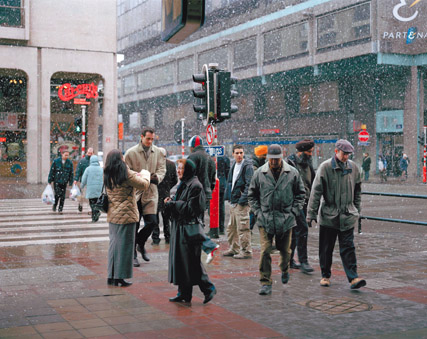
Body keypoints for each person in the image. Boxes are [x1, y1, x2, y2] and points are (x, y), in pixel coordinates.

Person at [307, 139, 366, 290]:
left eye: (348, 154)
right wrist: (311, 213)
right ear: (336, 151)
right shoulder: (325, 167)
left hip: (347, 216)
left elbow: (357, 191)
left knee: (348, 248)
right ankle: (325, 276)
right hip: (329, 216)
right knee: (326, 248)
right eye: (344, 154)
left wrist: (356, 211)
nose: (346, 157)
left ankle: (353, 278)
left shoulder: (353, 168)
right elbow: (316, 192)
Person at [248, 144, 305, 295]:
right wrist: (258, 212)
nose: (274, 162)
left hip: (286, 219)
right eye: (271, 159)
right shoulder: (260, 173)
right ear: (267, 158)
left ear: (281, 157)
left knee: (285, 251)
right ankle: (265, 281)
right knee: (265, 250)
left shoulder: (292, 173)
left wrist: (293, 212)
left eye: (276, 159)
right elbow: (252, 195)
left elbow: (301, 194)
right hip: (265, 219)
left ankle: (285, 269)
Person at [165, 158, 217, 304]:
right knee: (182, 262)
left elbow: (192, 209)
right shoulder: (184, 183)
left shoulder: (195, 186)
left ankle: (208, 289)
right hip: (180, 227)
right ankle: (184, 293)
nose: (178, 170)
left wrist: (173, 204)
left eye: (181, 168)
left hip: (188, 228)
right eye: (178, 168)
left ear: (188, 170)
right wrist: (172, 202)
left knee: (191, 262)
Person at [104, 149, 151, 287]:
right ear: (120, 159)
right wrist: (145, 174)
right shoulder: (124, 172)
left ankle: (111, 276)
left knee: (113, 246)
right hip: (127, 214)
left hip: (113, 214)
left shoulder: (107, 173)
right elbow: (144, 184)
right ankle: (120, 277)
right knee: (125, 248)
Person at [125, 127, 166, 267]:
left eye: (152, 139)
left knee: (152, 223)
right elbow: (126, 170)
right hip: (135, 194)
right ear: (141, 137)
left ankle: (140, 244)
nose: (150, 141)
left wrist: (157, 177)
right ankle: (132, 254)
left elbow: (162, 169)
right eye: (148, 138)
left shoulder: (158, 152)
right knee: (134, 225)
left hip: (151, 193)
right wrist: (136, 177)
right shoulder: (131, 153)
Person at [286, 139, 315, 273]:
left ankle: (289, 260)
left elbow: (313, 183)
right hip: (293, 203)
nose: (311, 154)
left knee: (294, 232)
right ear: (301, 152)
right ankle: (303, 261)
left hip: (304, 202)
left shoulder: (308, 164)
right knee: (302, 230)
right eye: (309, 152)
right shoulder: (289, 164)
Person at [223, 145, 254, 259]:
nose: (239, 155)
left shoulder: (247, 166)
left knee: (243, 228)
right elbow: (231, 182)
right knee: (231, 228)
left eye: (241, 152)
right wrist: (229, 197)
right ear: (233, 154)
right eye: (237, 153)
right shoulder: (234, 165)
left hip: (241, 203)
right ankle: (234, 248)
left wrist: (242, 200)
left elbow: (249, 184)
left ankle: (246, 251)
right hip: (233, 201)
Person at [151, 148, 178, 245]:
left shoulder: (154, 164)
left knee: (155, 218)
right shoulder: (171, 164)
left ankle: (156, 238)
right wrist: (168, 188)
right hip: (166, 194)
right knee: (166, 218)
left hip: (155, 193)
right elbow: (175, 179)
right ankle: (168, 237)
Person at [81, 155, 104, 222]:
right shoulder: (100, 169)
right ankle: (96, 213)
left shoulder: (88, 169)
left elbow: (84, 178)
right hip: (98, 188)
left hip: (91, 189)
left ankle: (95, 215)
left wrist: (82, 186)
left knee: (92, 202)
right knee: (97, 201)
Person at [250, 145, 268, 231]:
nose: (265, 157)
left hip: (259, 194)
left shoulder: (258, 163)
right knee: (253, 214)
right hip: (256, 195)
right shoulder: (254, 165)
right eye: (264, 155)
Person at [73, 147, 94, 212]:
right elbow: (78, 171)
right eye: (89, 153)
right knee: (83, 195)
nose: (90, 154)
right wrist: (76, 179)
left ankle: (90, 208)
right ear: (86, 153)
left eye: (91, 153)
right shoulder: (82, 161)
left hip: (92, 181)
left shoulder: (94, 161)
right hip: (84, 181)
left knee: (90, 195)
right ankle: (80, 204)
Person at [216, 155, 230, 235]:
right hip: (222, 184)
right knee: (221, 206)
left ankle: (216, 227)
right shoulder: (225, 158)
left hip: (216, 184)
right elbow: (227, 172)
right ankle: (221, 228)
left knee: (215, 207)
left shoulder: (213, 157)